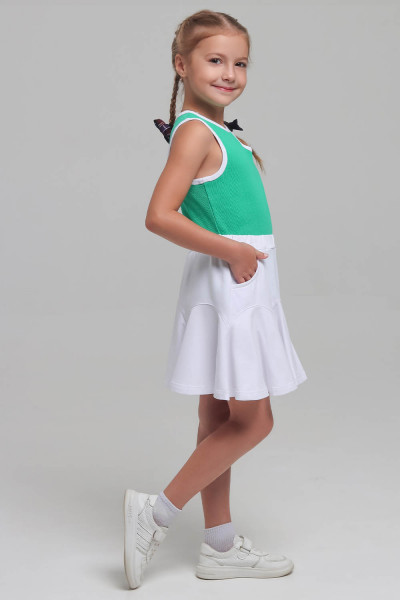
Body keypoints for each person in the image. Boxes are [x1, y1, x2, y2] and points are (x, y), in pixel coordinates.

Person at [123, 9, 308, 589]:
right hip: (232, 283)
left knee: (217, 418)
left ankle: (220, 546)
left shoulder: (217, 131)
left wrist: (237, 255)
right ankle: (156, 513)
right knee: (254, 421)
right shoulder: (195, 132)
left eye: (240, 62)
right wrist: (234, 252)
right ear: (182, 65)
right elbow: (159, 215)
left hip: (233, 279)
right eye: (215, 60)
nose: (229, 73)